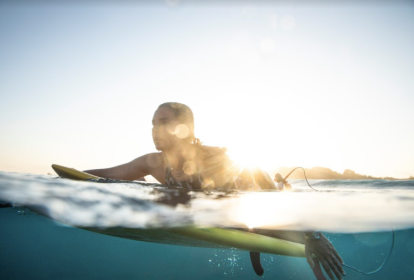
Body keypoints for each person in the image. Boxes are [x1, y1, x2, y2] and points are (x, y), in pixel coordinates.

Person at [85, 102, 345, 280]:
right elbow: (108, 175)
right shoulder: (152, 162)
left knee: (297, 238)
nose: (155, 129)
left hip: (256, 204)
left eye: (164, 122)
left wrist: (313, 234)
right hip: (217, 211)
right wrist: (68, 175)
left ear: (186, 128)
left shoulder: (212, 159)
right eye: (153, 123)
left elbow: (262, 182)